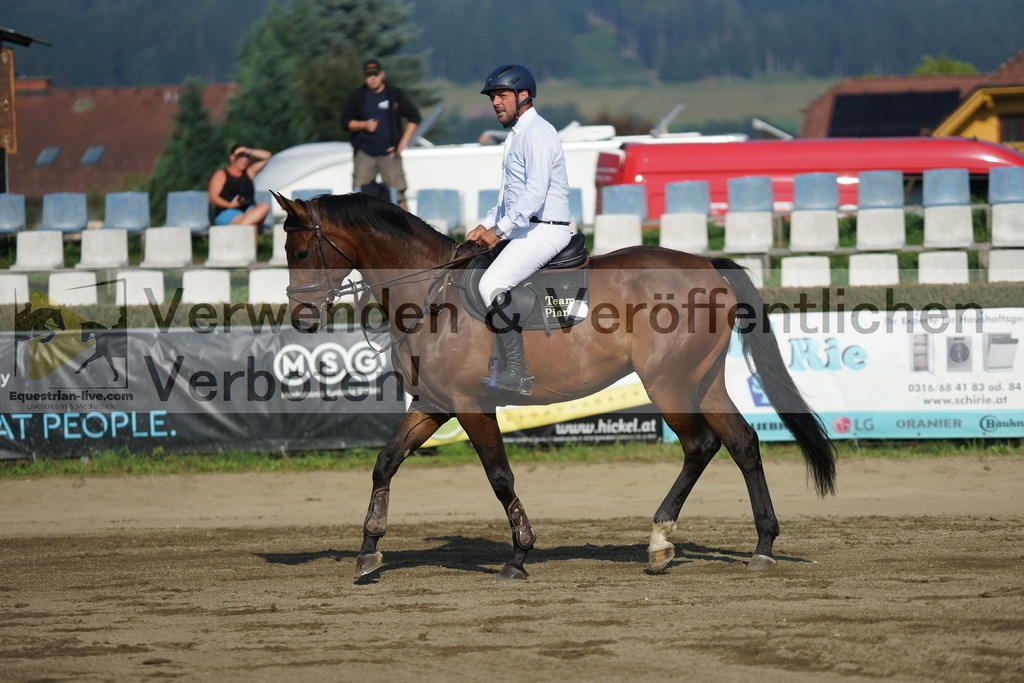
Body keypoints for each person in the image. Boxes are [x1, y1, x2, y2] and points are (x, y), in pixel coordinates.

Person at [466, 64, 573, 396]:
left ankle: (519, 372)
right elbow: (508, 196)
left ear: (523, 95)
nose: (496, 102)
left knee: (492, 283)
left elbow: (534, 194)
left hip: (546, 229)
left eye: (502, 95)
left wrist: (499, 230)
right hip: (524, 228)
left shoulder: (538, 132)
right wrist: (487, 222)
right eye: (493, 97)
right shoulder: (517, 135)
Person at [340, 59, 422, 209]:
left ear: (382, 75)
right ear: (365, 77)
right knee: (359, 194)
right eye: (369, 75)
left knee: (398, 193)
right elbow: (346, 122)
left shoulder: (394, 94)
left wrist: (402, 143)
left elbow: (414, 116)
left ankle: (405, 227)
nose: (373, 78)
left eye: (375, 75)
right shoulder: (358, 96)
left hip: (390, 152)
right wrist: (364, 125)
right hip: (365, 152)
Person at [207, 143, 272, 226]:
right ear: (232, 157)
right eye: (240, 156)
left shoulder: (249, 172)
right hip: (227, 211)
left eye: (246, 157)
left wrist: (248, 151)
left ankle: (243, 227)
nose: (244, 160)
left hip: (248, 211)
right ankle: (244, 228)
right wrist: (230, 205)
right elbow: (213, 198)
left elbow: (267, 156)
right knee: (251, 222)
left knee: (264, 207)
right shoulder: (221, 174)